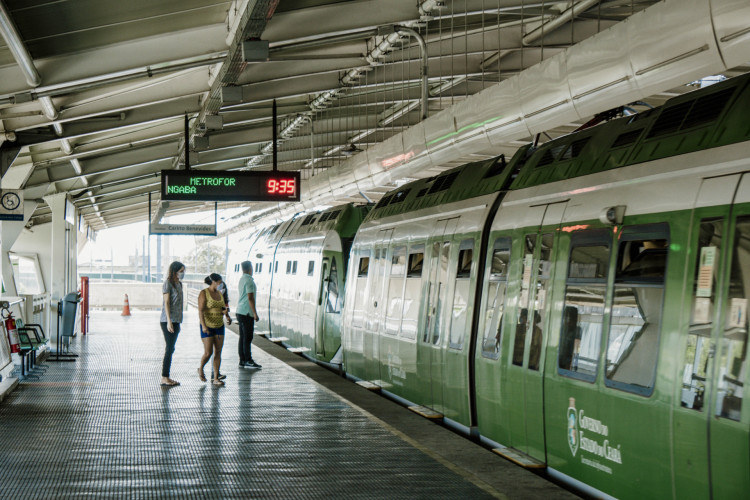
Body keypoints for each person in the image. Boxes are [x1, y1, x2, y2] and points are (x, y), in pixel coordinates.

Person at [198, 273, 228, 386]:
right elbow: (200, 311)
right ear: (214, 282)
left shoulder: (220, 293)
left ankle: (216, 378)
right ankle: (201, 368)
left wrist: (227, 315)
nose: (221, 285)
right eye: (219, 283)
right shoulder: (204, 293)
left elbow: (223, 308)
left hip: (219, 325)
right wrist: (204, 326)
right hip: (207, 326)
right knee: (208, 352)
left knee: (218, 352)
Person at [160, 261, 185, 387]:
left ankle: (166, 376)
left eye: (183, 271)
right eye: (181, 271)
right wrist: (169, 321)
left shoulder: (179, 284)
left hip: (176, 320)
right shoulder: (168, 284)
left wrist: (177, 322)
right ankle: (165, 377)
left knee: (171, 348)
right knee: (169, 348)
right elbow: (167, 303)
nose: (183, 273)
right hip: (167, 321)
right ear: (174, 271)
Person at [236, 260, 261, 369]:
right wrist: (255, 313)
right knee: (248, 337)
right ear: (250, 268)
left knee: (242, 337)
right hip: (246, 312)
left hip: (239, 311)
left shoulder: (242, 279)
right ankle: (248, 360)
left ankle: (242, 360)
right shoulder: (249, 281)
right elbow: (250, 297)